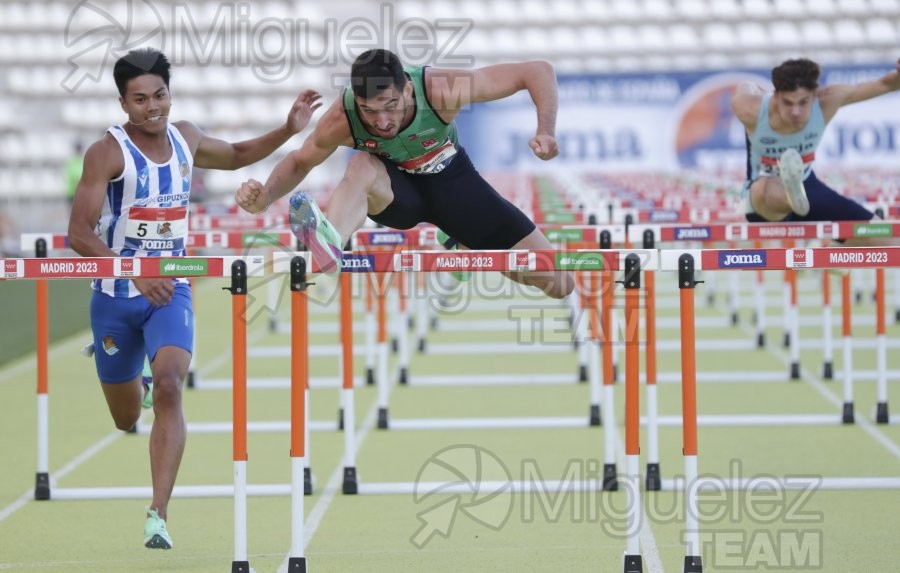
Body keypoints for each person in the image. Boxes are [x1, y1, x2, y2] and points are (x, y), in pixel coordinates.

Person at [67, 47, 321, 550]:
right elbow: (78, 233)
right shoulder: (107, 153)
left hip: (172, 290)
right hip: (117, 296)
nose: (152, 107)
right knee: (125, 419)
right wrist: (135, 271)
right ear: (124, 104)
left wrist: (288, 129)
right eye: (140, 99)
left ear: (169, 93)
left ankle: (158, 512)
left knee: (169, 386)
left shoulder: (186, 136)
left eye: (159, 94)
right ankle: (125, 370)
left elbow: (239, 155)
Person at [235, 48, 574, 298]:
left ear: (408, 90)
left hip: (452, 183)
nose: (381, 122)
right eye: (369, 112)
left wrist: (546, 130)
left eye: (390, 107)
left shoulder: (439, 89)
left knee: (558, 283)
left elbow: (537, 70)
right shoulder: (342, 117)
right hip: (398, 195)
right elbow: (299, 162)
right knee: (360, 165)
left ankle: (465, 243)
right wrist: (265, 197)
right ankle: (330, 243)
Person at [732, 57, 900, 244]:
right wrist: (757, 91)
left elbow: (886, 84)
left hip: (808, 188)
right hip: (762, 199)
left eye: (803, 102)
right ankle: (792, 197)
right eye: (788, 103)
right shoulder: (750, 109)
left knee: (889, 241)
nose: (796, 111)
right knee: (769, 189)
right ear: (776, 96)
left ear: (815, 95)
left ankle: (833, 248)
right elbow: (745, 86)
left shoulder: (829, 100)